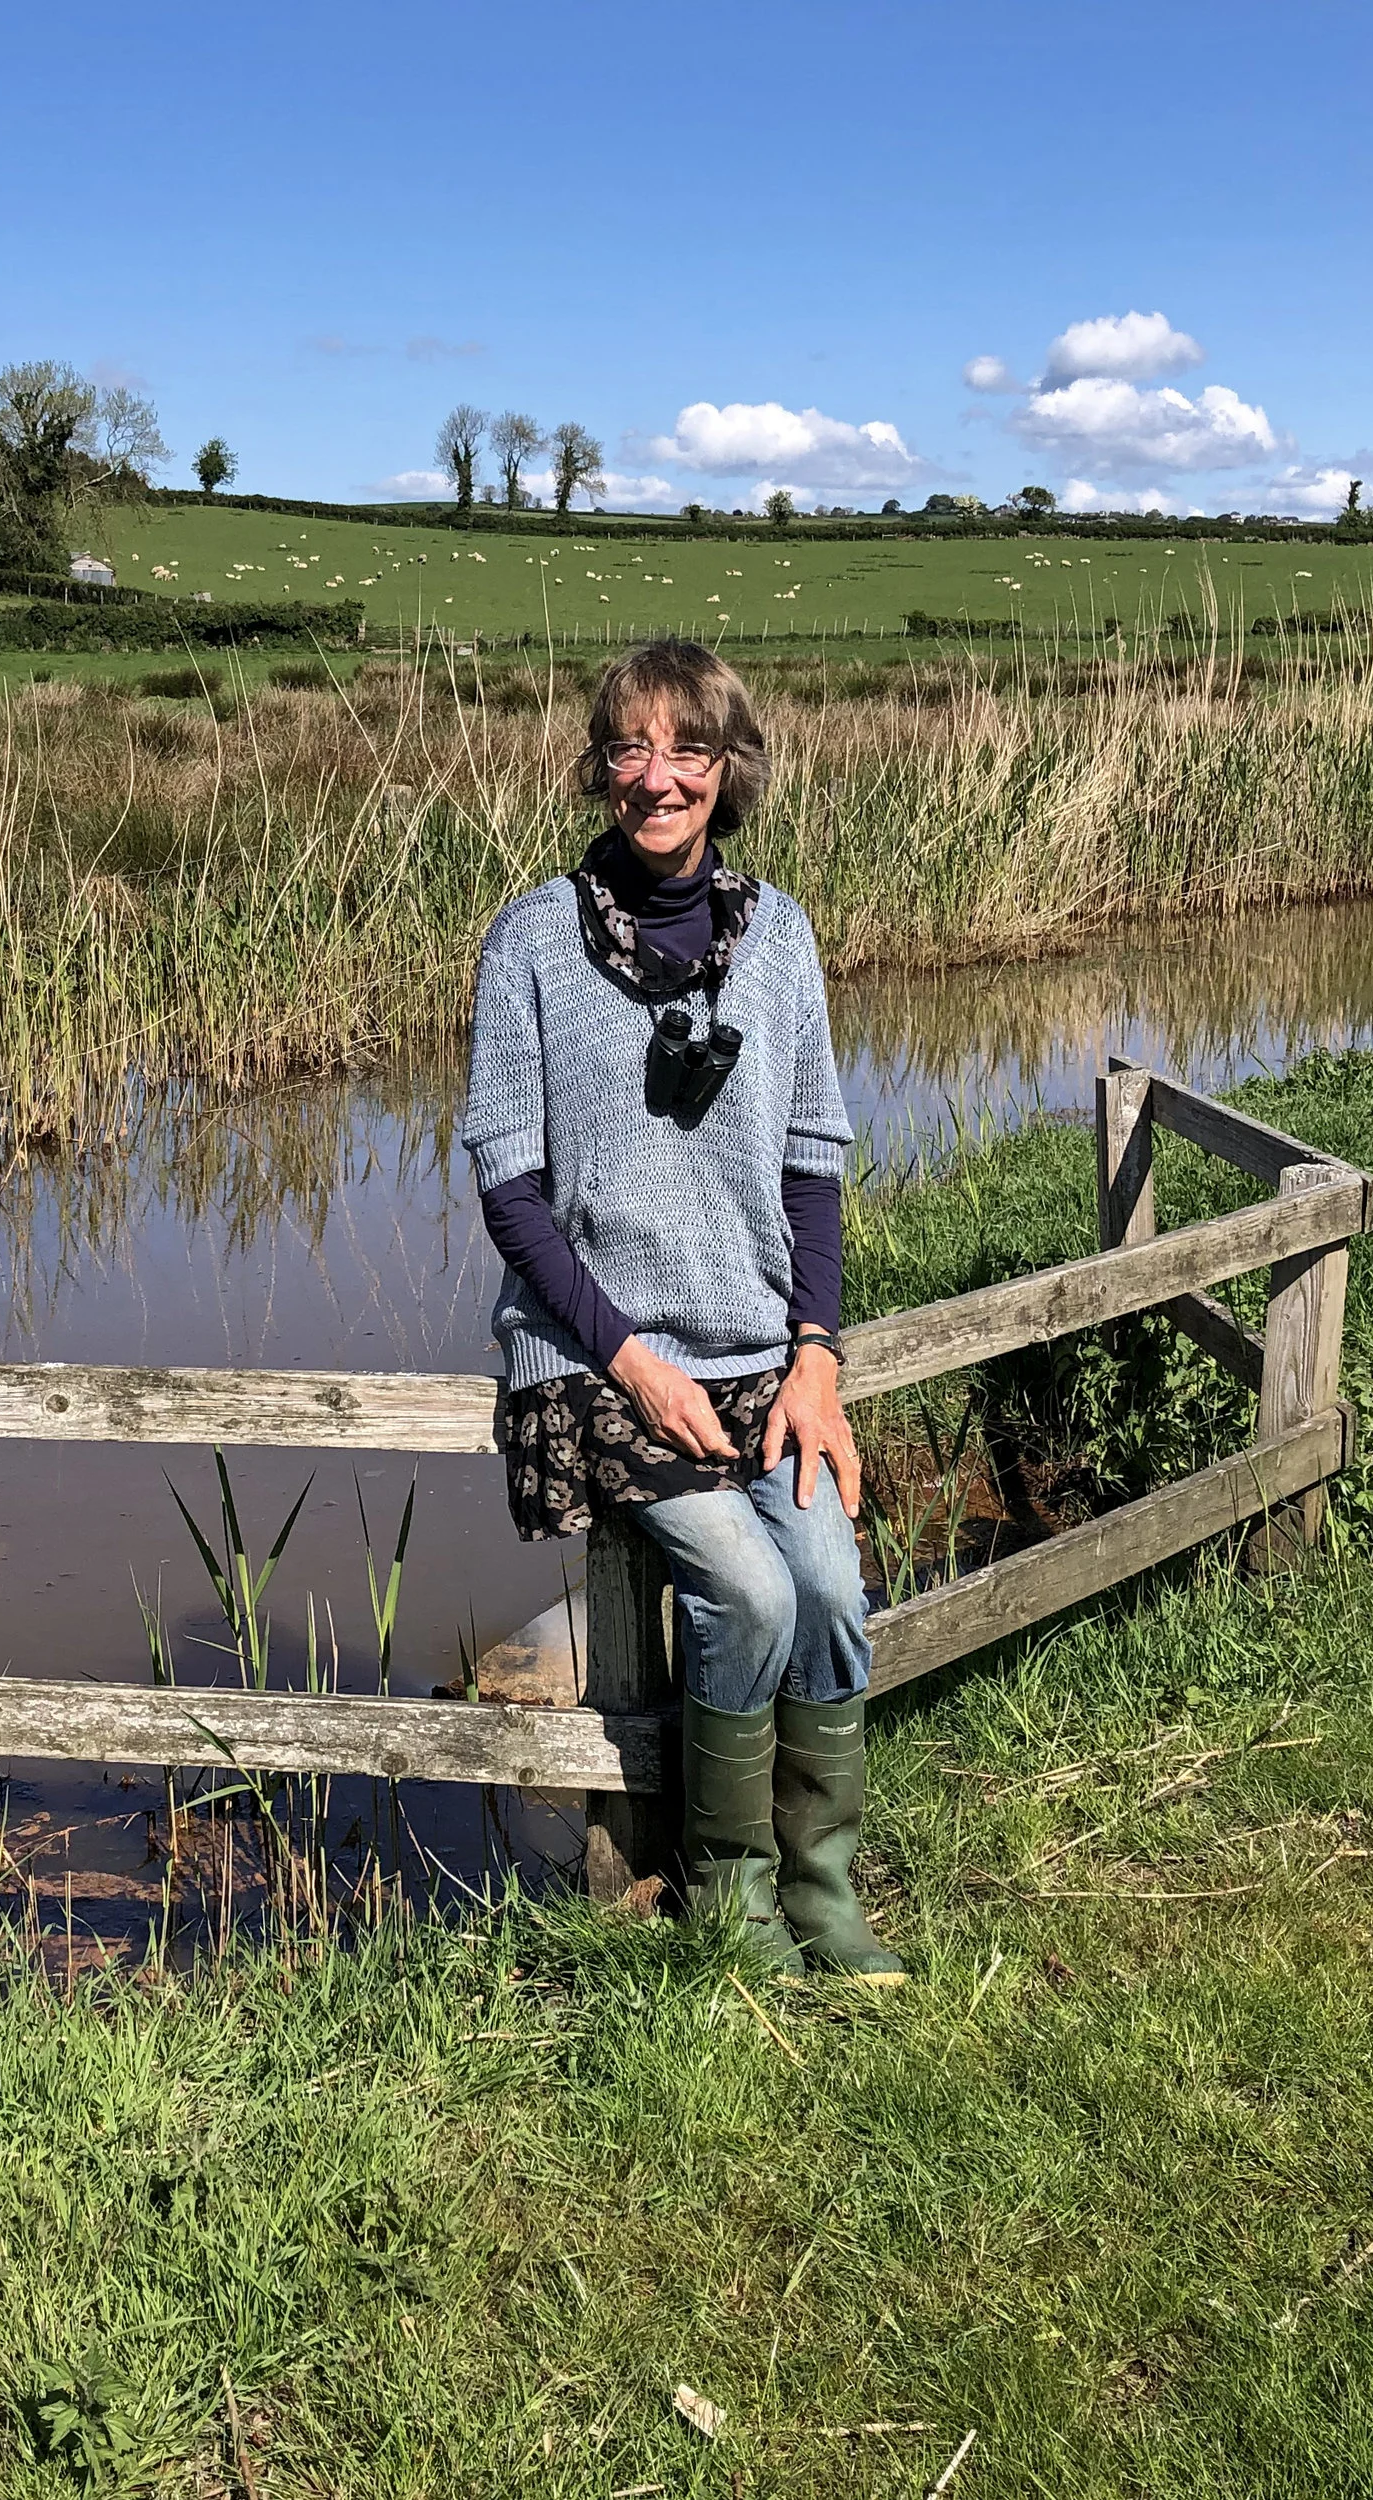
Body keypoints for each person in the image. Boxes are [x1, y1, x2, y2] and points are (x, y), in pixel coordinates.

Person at [461, 639, 901, 1981]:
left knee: (828, 1587)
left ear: (729, 769)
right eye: (629, 748)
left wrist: (817, 1357)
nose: (656, 778)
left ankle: (823, 1884)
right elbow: (509, 1183)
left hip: (765, 1346)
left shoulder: (779, 941)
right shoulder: (533, 939)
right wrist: (635, 1365)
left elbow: (814, 1160)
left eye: (687, 750)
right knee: (753, 1596)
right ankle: (732, 1893)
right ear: (600, 766)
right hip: (596, 1360)